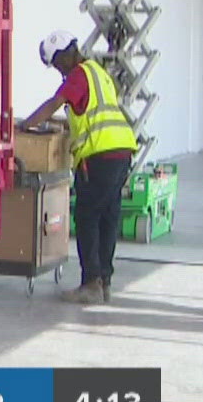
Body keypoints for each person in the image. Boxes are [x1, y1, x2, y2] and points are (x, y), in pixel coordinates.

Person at [19, 30, 138, 305]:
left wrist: (26, 125)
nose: (58, 70)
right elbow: (90, 111)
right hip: (122, 151)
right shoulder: (98, 72)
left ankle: (90, 284)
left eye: (57, 63)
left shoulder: (78, 75)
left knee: (86, 217)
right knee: (108, 218)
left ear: (65, 54)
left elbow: (54, 103)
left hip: (101, 156)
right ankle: (104, 281)